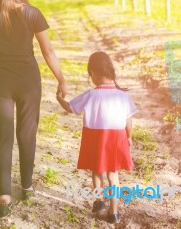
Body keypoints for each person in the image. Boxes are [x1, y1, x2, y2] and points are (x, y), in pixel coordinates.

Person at [0, 0, 67, 217]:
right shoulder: (32, 14)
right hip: (29, 80)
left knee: (2, 138)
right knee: (27, 134)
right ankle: (26, 186)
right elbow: (48, 51)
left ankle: (3, 197)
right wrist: (61, 78)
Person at [56, 51, 137, 224]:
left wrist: (58, 98)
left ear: (92, 72)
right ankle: (114, 212)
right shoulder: (123, 96)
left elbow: (70, 108)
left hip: (96, 139)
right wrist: (128, 137)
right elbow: (128, 121)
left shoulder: (91, 94)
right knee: (113, 176)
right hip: (116, 139)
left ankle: (99, 200)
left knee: (97, 171)